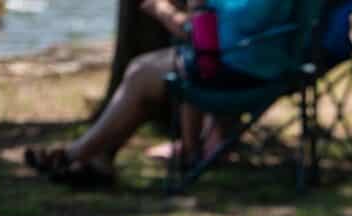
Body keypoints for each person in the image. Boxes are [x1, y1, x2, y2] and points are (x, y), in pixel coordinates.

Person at [24, 0, 293, 188]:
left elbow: (202, 35)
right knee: (151, 75)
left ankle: (73, 155)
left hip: (240, 68)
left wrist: (166, 10)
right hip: (259, 62)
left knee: (142, 73)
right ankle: (98, 159)